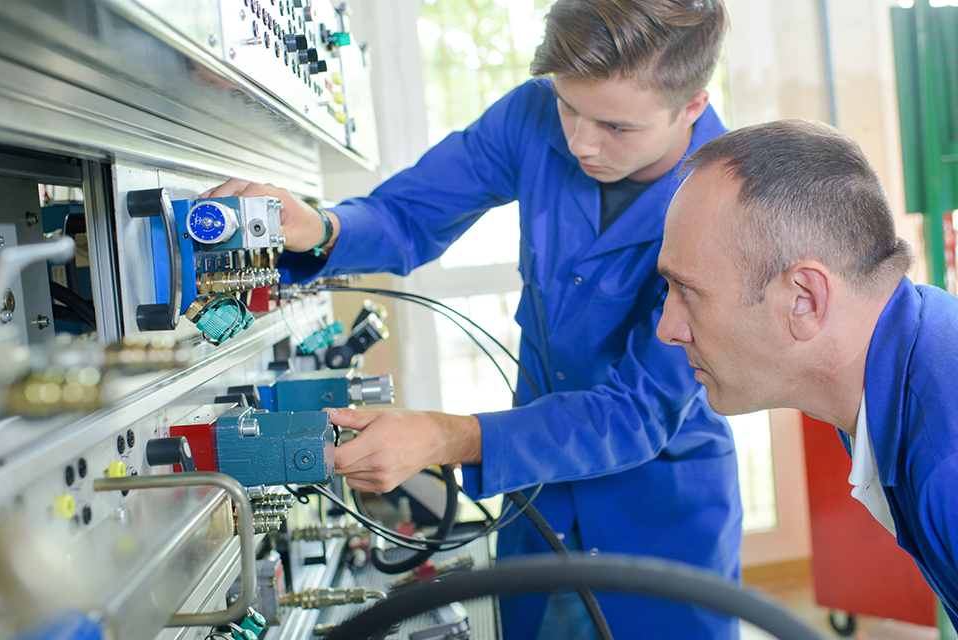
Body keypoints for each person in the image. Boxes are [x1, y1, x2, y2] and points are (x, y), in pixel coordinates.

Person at [207, 1, 742, 637]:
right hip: (537, 503)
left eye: (616, 127)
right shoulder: (531, 113)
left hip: (657, 518)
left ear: (692, 105)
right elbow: (409, 215)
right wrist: (322, 226)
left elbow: (634, 411)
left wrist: (443, 436)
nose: (579, 142)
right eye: (568, 107)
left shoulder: (728, 207)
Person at [656, 118, 958, 629]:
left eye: (687, 291)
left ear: (805, 299)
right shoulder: (899, 360)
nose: (668, 328)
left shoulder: (945, 461)